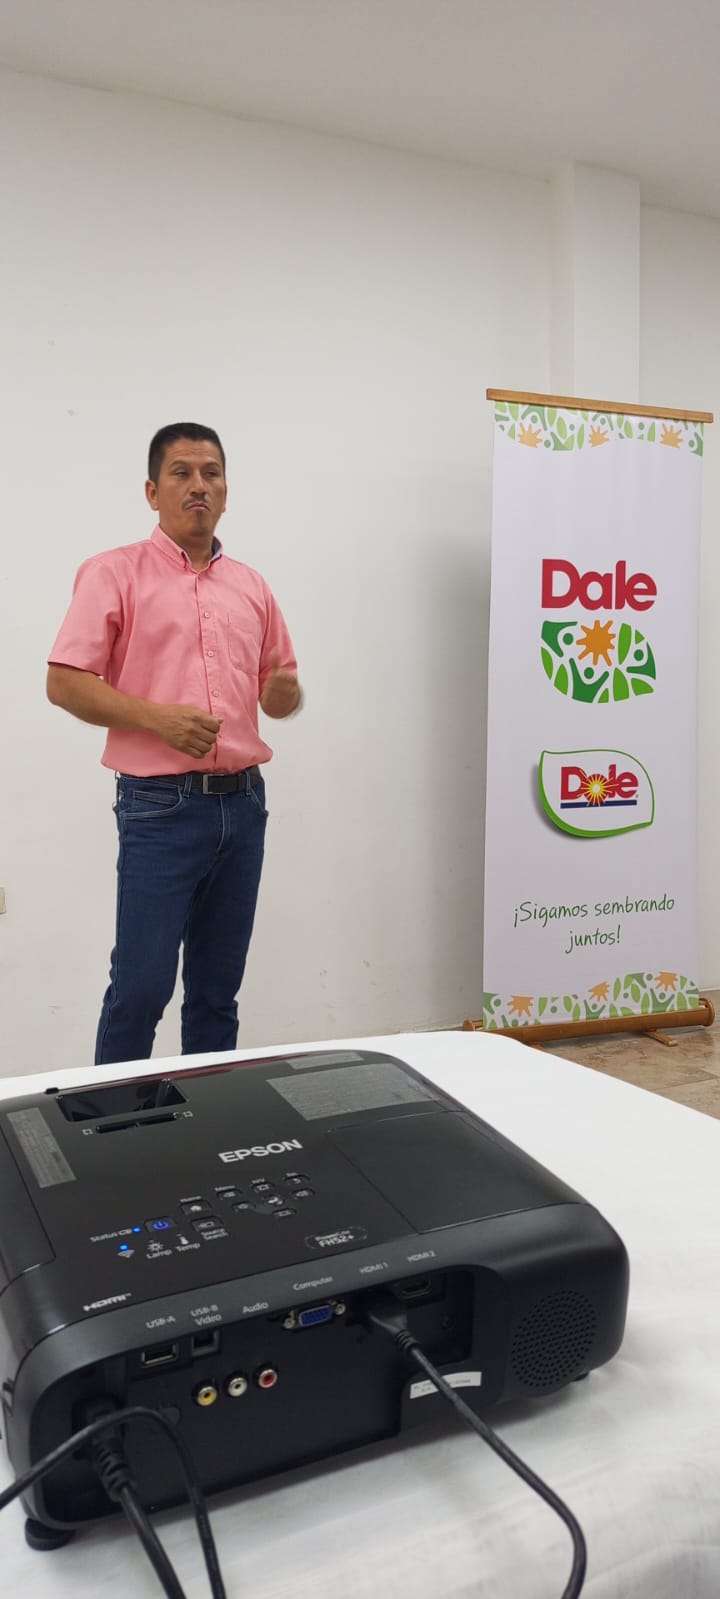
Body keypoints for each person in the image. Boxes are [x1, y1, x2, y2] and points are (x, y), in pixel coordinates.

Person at [47, 422, 301, 1066]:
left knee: (217, 994)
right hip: (159, 808)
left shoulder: (252, 586)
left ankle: (206, 1117)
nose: (198, 486)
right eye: (181, 473)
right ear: (152, 491)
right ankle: (113, 1118)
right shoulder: (113, 574)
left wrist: (284, 693)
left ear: (226, 491)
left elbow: (280, 691)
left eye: (211, 473)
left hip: (244, 806)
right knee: (140, 990)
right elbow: (64, 682)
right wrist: (158, 721)